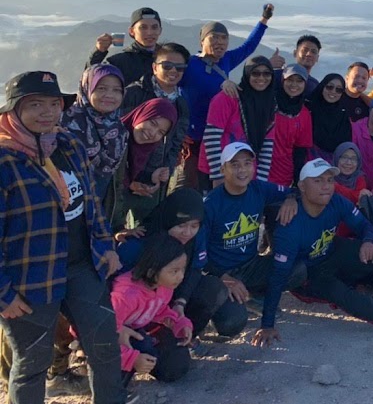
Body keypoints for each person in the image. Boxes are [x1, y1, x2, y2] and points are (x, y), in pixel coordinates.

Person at [0, 71, 126, 404]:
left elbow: (91, 201)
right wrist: (3, 294)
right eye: (34, 105)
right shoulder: (5, 160)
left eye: (54, 104)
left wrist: (106, 245)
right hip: (29, 279)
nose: (47, 112)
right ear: (13, 110)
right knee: (32, 361)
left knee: (104, 344)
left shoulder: (67, 144)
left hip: (82, 265)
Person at [253, 159, 373, 347]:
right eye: (318, 181)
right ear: (302, 187)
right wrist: (267, 324)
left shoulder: (335, 200)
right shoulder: (289, 226)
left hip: (329, 251)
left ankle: (359, 283)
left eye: (330, 180)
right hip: (309, 272)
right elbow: (278, 276)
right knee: (341, 294)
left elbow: (365, 226)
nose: (326, 186)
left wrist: (368, 241)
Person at [195, 143, 299, 338]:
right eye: (234, 164)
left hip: (250, 265)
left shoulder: (258, 188)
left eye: (247, 163)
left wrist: (291, 198)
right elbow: (198, 253)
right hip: (221, 273)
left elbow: (292, 191)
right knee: (231, 324)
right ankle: (209, 315)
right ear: (222, 170)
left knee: (298, 268)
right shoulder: (211, 204)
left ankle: (255, 296)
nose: (242, 170)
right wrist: (221, 277)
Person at [179, 4, 273, 191]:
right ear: (202, 41)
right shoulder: (189, 64)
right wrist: (177, 129)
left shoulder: (226, 60)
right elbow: (168, 86)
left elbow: (249, 47)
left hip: (218, 140)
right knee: (187, 189)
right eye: (214, 37)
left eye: (224, 38)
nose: (220, 42)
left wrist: (264, 20)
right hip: (193, 139)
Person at [116, 188, 226, 339]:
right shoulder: (138, 244)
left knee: (213, 289)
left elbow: (196, 268)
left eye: (194, 226)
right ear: (169, 219)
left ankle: (186, 334)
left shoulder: (197, 236)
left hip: (169, 298)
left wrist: (180, 302)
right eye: (181, 225)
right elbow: (116, 287)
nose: (187, 232)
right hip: (136, 306)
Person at [111, 233, 193, 385]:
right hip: (110, 338)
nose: (181, 276)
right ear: (151, 271)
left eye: (183, 269)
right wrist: (131, 358)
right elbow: (101, 333)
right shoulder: (125, 296)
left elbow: (157, 310)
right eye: (174, 271)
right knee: (141, 347)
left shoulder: (163, 286)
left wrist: (178, 323)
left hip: (136, 329)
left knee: (175, 366)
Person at [121, 42, 191, 194]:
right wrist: (130, 178)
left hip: (155, 182)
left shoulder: (181, 105)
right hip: (123, 178)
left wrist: (163, 174)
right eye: (167, 66)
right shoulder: (133, 94)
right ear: (154, 67)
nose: (173, 71)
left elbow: (175, 146)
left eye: (179, 67)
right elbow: (117, 133)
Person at [200, 56, 277, 186]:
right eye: (255, 73)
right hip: (215, 171)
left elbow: (267, 147)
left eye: (266, 74)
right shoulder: (228, 97)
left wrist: (260, 183)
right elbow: (211, 138)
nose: (261, 78)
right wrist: (219, 175)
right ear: (247, 74)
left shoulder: (270, 105)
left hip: (245, 175)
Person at [106, 98, 178, 230]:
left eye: (161, 132)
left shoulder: (149, 147)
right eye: (152, 123)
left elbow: (130, 173)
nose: (152, 133)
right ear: (142, 114)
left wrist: (151, 177)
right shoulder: (111, 139)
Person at [61, 63, 128, 199]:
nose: (109, 95)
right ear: (87, 88)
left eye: (116, 90)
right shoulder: (65, 120)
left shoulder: (120, 129)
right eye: (101, 88)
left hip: (99, 203)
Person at [89, 7, 162, 85]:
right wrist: (98, 53)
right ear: (132, 31)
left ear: (160, 30)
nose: (149, 32)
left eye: (154, 27)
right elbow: (90, 80)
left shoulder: (169, 59)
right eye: (143, 27)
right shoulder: (119, 62)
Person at [271, 63, 314, 186]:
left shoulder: (304, 114)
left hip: (284, 174)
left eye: (299, 81)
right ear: (283, 81)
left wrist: (296, 182)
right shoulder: (268, 102)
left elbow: (300, 151)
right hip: (259, 169)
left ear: (305, 84)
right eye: (290, 80)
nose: (294, 84)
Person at [306, 74, 353, 162]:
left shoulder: (344, 114)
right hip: (309, 161)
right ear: (322, 87)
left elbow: (346, 144)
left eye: (339, 89)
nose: (333, 91)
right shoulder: (309, 109)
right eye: (329, 87)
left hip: (336, 163)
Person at [332, 142, 371, 207]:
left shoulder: (359, 178)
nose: (349, 163)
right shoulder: (328, 175)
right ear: (337, 158)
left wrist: (335, 187)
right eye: (344, 157)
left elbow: (358, 197)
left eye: (353, 159)